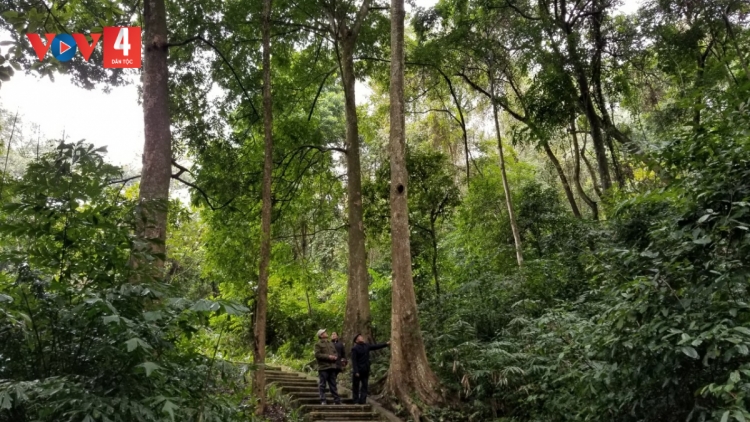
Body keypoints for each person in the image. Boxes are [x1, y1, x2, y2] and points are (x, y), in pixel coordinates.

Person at [350, 333, 390, 404]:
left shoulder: (366, 346)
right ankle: (355, 400)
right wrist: (356, 371)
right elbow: (354, 361)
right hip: (358, 370)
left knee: (364, 386)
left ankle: (362, 400)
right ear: (356, 340)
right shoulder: (355, 349)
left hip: (365, 369)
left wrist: (386, 344)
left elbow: (376, 346)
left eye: (361, 336)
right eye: (359, 337)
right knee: (356, 386)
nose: (361, 337)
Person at [314, 328, 341, 405]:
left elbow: (335, 352)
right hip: (323, 368)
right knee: (322, 385)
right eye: (324, 332)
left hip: (332, 367)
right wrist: (328, 356)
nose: (326, 333)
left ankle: (337, 401)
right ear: (321, 335)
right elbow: (317, 355)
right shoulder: (318, 344)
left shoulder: (330, 343)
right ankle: (323, 400)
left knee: (333, 385)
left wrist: (335, 357)